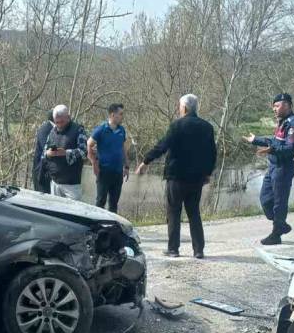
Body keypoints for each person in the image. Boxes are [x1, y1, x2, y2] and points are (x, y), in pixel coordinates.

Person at [136, 94, 217, 258]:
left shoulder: (177, 126)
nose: (179, 109)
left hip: (176, 176)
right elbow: (212, 153)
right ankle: (198, 250)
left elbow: (162, 146)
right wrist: (208, 173)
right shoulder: (207, 127)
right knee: (194, 213)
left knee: (173, 212)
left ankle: (173, 249)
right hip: (196, 178)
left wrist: (145, 161)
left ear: (184, 108)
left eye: (180, 107)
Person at [243, 93, 294, 245]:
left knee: (279, 203)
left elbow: (289, 148)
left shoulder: (293, 124)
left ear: (287, 105)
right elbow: (274, 141)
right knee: (265, 200)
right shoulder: (282, 122)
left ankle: (276, 234)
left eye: (277, 106)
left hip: (283, 168)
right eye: (273, 106)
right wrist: (256, 140)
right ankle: (281, 224)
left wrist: (272, 150)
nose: (274, 109)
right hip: (273, 167)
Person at [88, 103, 130, 213]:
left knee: (114, 204)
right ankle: (97, 223)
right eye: (120, 114)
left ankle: (111, 224)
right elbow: (89, 144)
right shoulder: (101, 129)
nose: (122, 116)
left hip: (118, 172)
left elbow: (123, 148)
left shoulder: (122, 130)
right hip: (104, 171)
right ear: (112, 115)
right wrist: (94, 164)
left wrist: (126, 166)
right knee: (100, 202)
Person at [43, 104, 88, 200]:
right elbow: (44, 153)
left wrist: (66, 153)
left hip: (72, 185)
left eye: (62, 122)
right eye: (57, 122)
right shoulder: (52, 131)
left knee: (73, 209)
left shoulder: (78, 130)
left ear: (68, 117)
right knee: (55, 209)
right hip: (55, 182)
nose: (59, 125)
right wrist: (48, 153)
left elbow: (84, 152)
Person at [32, 111, 54, 193]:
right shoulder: (45, 129)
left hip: (46, 170)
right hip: (41, 171)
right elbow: (46, 147)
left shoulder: (52, 128)